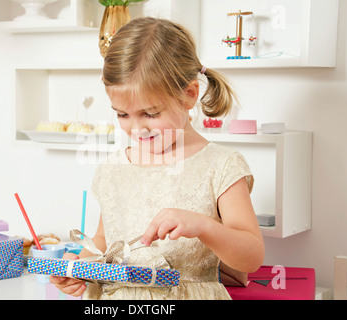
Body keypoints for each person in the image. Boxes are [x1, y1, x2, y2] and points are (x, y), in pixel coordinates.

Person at [50, 17, 264, 300]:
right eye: (122, 114)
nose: (137, 128)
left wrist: (205, 226)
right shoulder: (112, 168)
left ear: (189, 95)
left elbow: (251, 257)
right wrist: (77, 268)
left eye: (150, 114)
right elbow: (104, 245)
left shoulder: (222, 165)